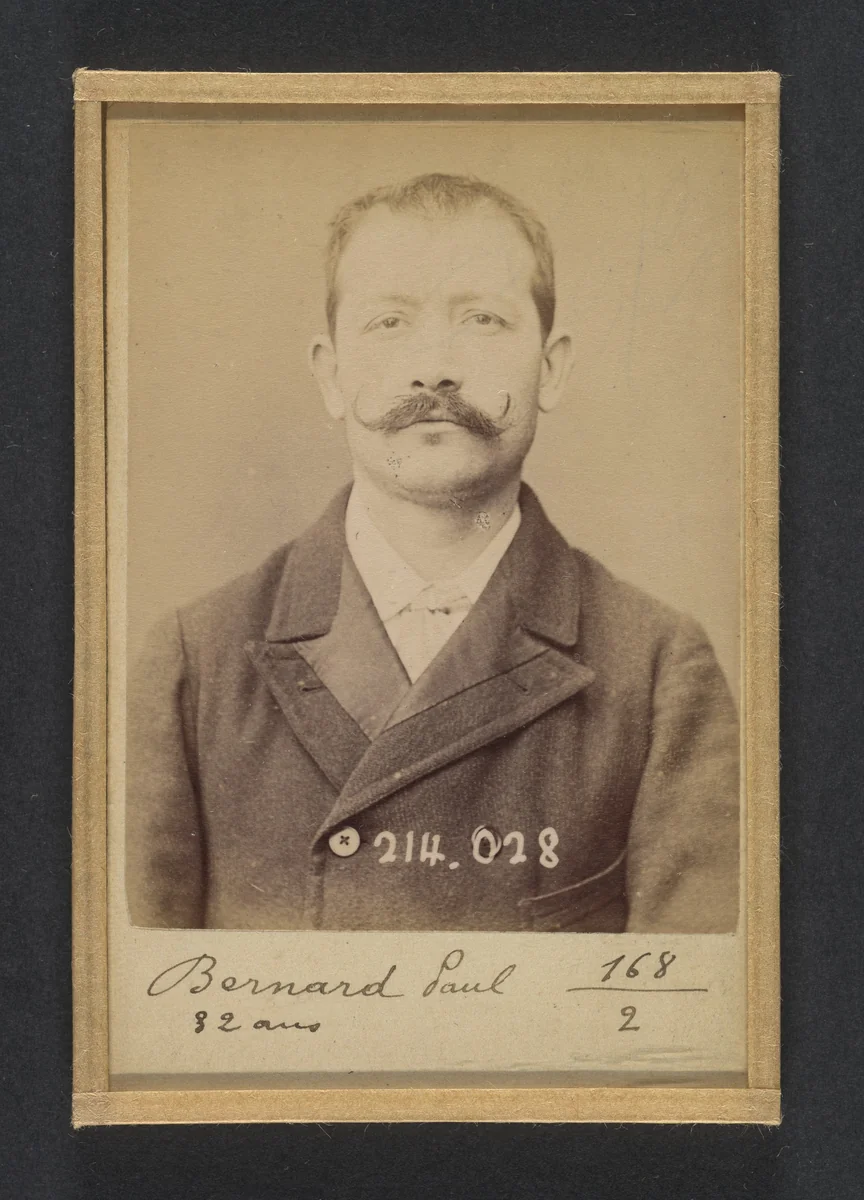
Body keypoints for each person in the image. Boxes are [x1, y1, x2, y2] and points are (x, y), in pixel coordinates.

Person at [126, 172, 739, 933]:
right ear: (330, 374)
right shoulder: (197, 660)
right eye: (389, 323)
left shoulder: (658, 671)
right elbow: (139, 1017)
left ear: (551, 368)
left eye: (482, 319)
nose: (435, 367)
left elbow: (687, 1025)